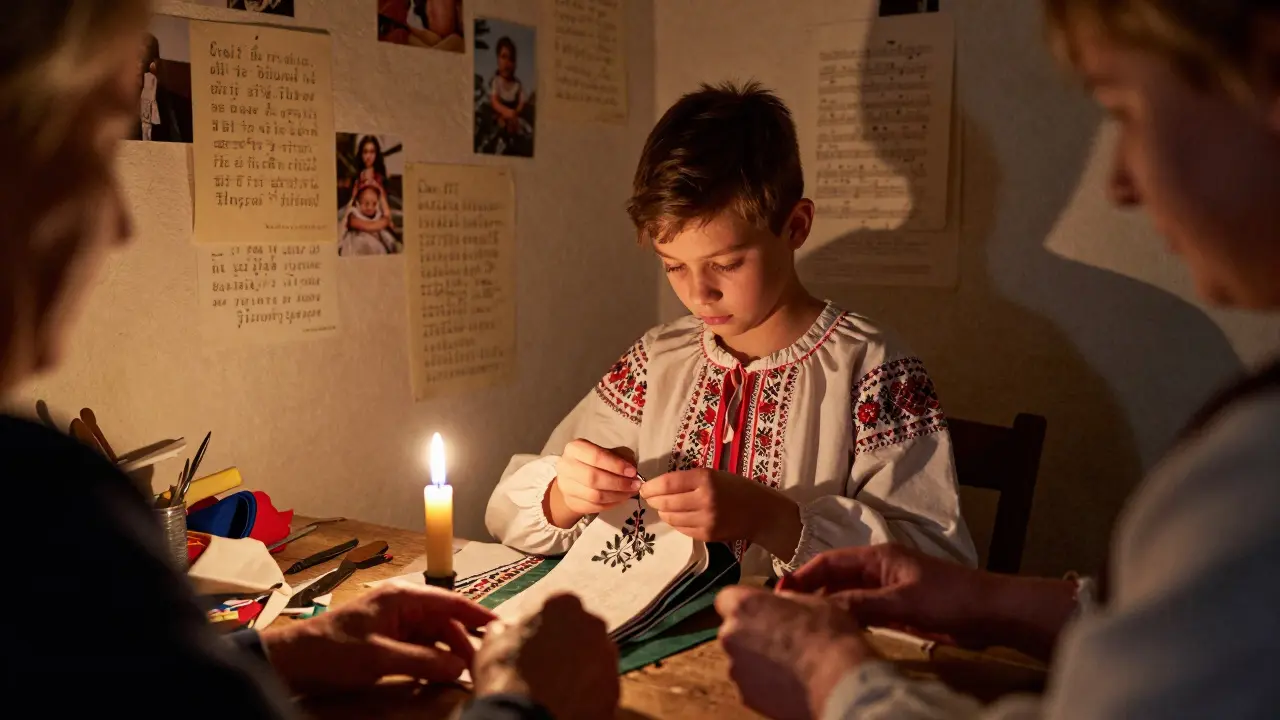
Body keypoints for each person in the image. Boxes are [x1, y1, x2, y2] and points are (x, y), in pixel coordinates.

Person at [4, 3, 616, 718]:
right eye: (97, 145)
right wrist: (524, 703)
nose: (120, 222)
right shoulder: (35, 506)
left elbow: (109, 693)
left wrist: (284, 653)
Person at [714, 1, 1280, 718]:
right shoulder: (663, 353)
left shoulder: (1257, 472)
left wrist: (835, 676)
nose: (1120, 184)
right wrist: (997, 601)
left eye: (1127, 112)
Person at [486, 82, 977, 579]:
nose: (699, 295)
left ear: (796, 227)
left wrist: (768, 517)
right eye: (674, 267)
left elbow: (936, 567)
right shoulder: (657, 362)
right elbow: (508, 514)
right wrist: (568, 495)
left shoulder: (870, 369)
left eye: (726, 263)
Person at [340, 183, 399, 256]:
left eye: (374, 204)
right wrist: (380, 223)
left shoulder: (378, 214)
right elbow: (361, 225)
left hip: (376, 246)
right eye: (366, 203)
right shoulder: (353, 213)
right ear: (358, 203)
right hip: (358, 243)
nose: (370, 207)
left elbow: (387, 217)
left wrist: (381, 195)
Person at [489, 37, 529, 138]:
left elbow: (522, 102)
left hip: (514, 116)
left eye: (511, 59)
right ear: (498, 60)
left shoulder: (517, 85)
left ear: (515, 64)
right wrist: (505, 112)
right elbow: (494, 102)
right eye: (503, 57)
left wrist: (516, 112)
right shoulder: (497, 82)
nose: (507, 62)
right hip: (500, 115)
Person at [140, 60, 159, 141]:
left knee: (147, 121)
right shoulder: (148, 76)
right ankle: (146, 138)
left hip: (147, 97)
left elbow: (153, 89)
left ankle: (147, 138)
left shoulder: (151, 77)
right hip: (146, 98)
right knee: (146, 120)